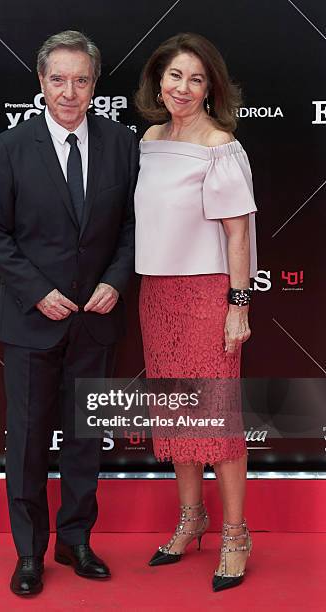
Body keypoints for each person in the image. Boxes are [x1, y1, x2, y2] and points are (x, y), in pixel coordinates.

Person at [0, 30, 138, 596]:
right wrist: (36, 291)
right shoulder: (10, 147)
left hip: (96, 319)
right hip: (30, 320)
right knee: (25, 441)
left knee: (85, 438)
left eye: (81, 79)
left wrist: (116, 281)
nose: (69, 91)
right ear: (40, 82)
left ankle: (76, 541)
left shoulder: (122, 143)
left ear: (95, 83)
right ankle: (29, 553)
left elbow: (129, 227)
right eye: (58, 79)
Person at [134, 32, 257, 592]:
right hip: (156, 295)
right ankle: (192, 519)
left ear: (211, 87)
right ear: (158, 81)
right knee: (179, 416)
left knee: (218, 422)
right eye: (175, 76)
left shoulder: (220, 144)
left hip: (208, 298)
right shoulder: (151, 138)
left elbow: (239, 236)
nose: (183, 87)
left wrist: (237, 306)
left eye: (196, 78)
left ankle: (235, 534)